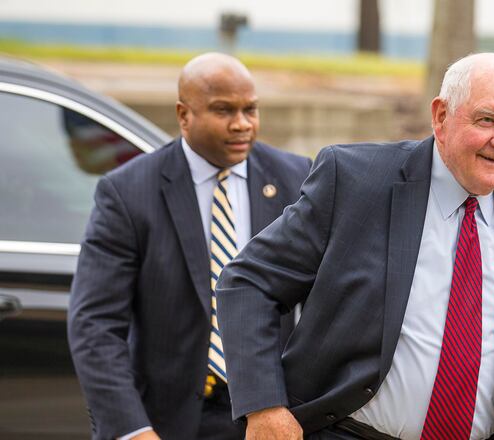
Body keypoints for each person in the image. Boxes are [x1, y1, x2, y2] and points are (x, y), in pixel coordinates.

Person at [216, 52, 494, 440]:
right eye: (487, 120)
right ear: (441, 116)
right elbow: (249, 283)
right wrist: (264, 407)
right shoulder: (355, 181)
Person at [67, 52, 312, 440]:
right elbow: (95, 326)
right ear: (184, 115)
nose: (242, 124)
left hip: (271, 416)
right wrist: (133, 430)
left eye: (250, 109)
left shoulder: (297, 179)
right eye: (223, 110)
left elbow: (325, 304)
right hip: (167, 422)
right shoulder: (128, 192)